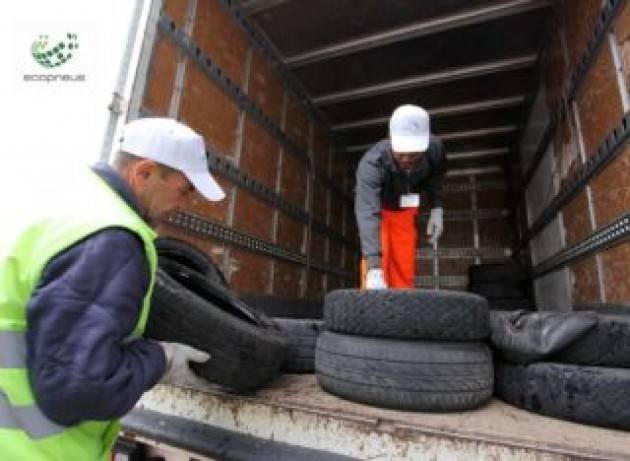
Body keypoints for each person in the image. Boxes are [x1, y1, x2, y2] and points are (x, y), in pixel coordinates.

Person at [0, 118, 225, 460]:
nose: (186, 205)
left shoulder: (68, 203)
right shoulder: (111, 238)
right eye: (185, 190)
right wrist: (161, 358)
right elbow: (75, 389)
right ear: (144, 173)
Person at [355, 104, 447, 289]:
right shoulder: (371, 163)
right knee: (376, 269)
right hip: (377, 212)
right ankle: (374, 309)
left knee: (403, 268)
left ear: (425, 145)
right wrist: (374, 265)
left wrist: (437, 208)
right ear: (390, 139)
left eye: (412, 155)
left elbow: (436, 177)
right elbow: (367, 211)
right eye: (400, 153)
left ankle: (401, 309)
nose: (405, 159)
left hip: (405, 212)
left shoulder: (436, 149)